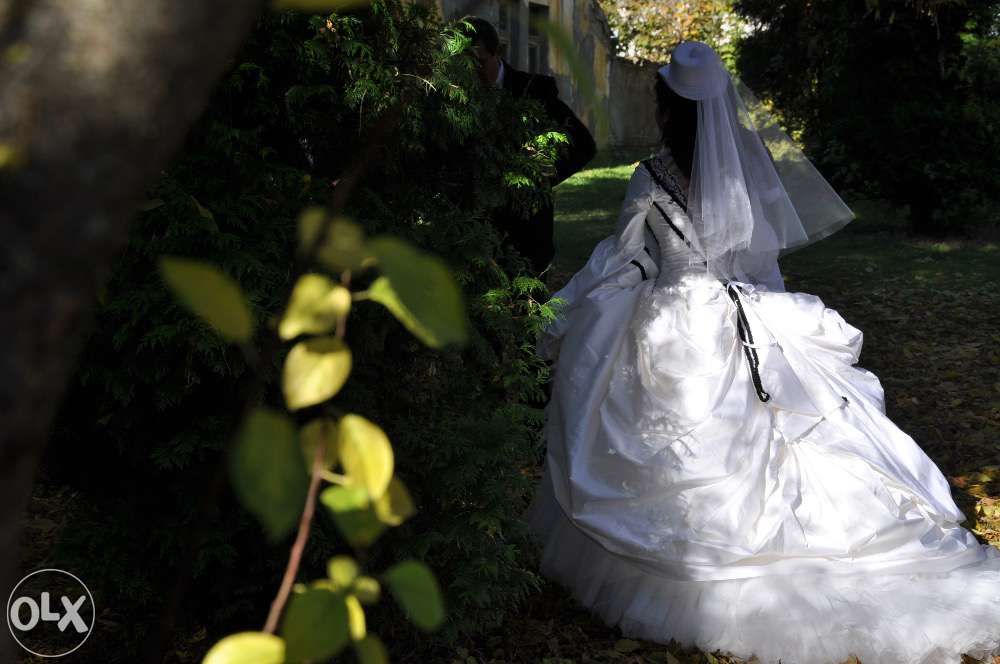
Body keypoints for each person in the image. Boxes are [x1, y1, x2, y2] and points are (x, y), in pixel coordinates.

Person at [524, 40, 1000, 664]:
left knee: (668, 441)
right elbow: (760, 258)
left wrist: (563, 316)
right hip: (748, 310)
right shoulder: (747, 164)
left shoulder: (649, 177)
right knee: (796, 431)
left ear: (667, 107)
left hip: (672, 318)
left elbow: (624, 261)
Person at [464, 17, 596, 275]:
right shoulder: (455, 96)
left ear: (496, 53)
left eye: (480, 63)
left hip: (528, 231)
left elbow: (584, 144)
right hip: (474, 233)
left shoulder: (535, 90)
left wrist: (541, 175)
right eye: (465, 65)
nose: (474, 73)